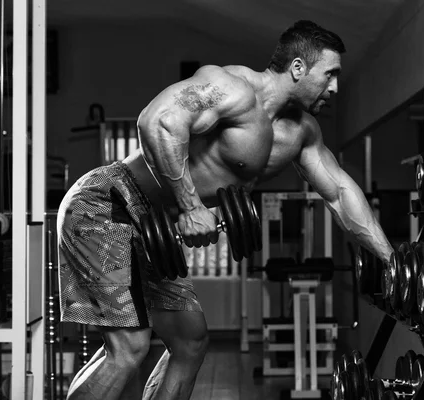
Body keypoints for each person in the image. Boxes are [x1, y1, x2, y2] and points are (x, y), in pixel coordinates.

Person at [57, 19, 394, 400]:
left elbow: (340, 193)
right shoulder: (231, 88)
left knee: (190, 342)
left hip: (154, 230)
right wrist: (189, 205)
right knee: (129, 349)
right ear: (298, 68)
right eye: (329, 74)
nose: (334, 88)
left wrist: (390, 259)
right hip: (108, 203)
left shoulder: (301, 133)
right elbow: (159, 121)